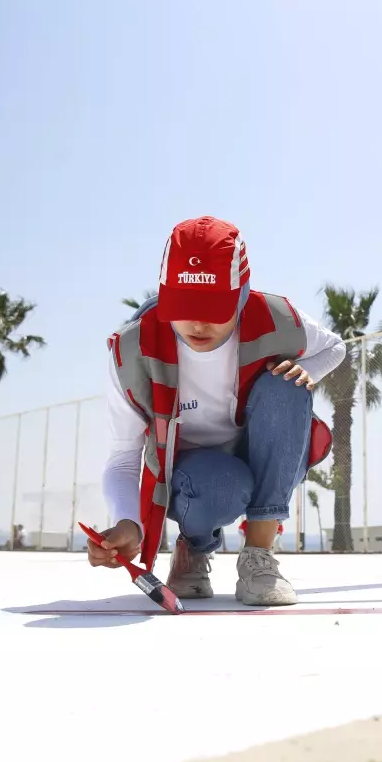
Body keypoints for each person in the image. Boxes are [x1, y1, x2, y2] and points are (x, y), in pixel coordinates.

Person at [97, 216, 344, 606]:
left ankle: (259, 558)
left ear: (242, 295)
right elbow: (123, 458)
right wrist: (128, 523)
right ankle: (193, 547)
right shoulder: (132, 349)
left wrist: (307, 371)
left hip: (260, 450)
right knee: (221, 485)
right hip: (195, 474)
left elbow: (335, 347)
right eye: (183, 305)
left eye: (214, 307)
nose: (197, 321)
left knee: (288, 387)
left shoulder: (275, 317)